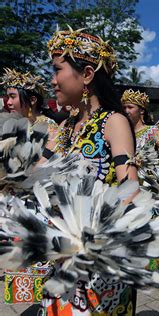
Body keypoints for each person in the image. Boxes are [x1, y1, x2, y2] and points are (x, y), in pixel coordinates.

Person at [41, 26, 139, 315]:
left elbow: (129, 191)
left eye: (57, 70)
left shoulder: (114, 122)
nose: (53, 80)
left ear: (86, 75)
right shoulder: (63, 128)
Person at [0, 68, 56, 306]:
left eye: (12, 95)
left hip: (44, 209)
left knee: (47, 281)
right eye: (7, 96)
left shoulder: (51, 128)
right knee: (28, 285)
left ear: (31, 99)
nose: (7, 101)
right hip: (16, 207)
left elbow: (40, 167)